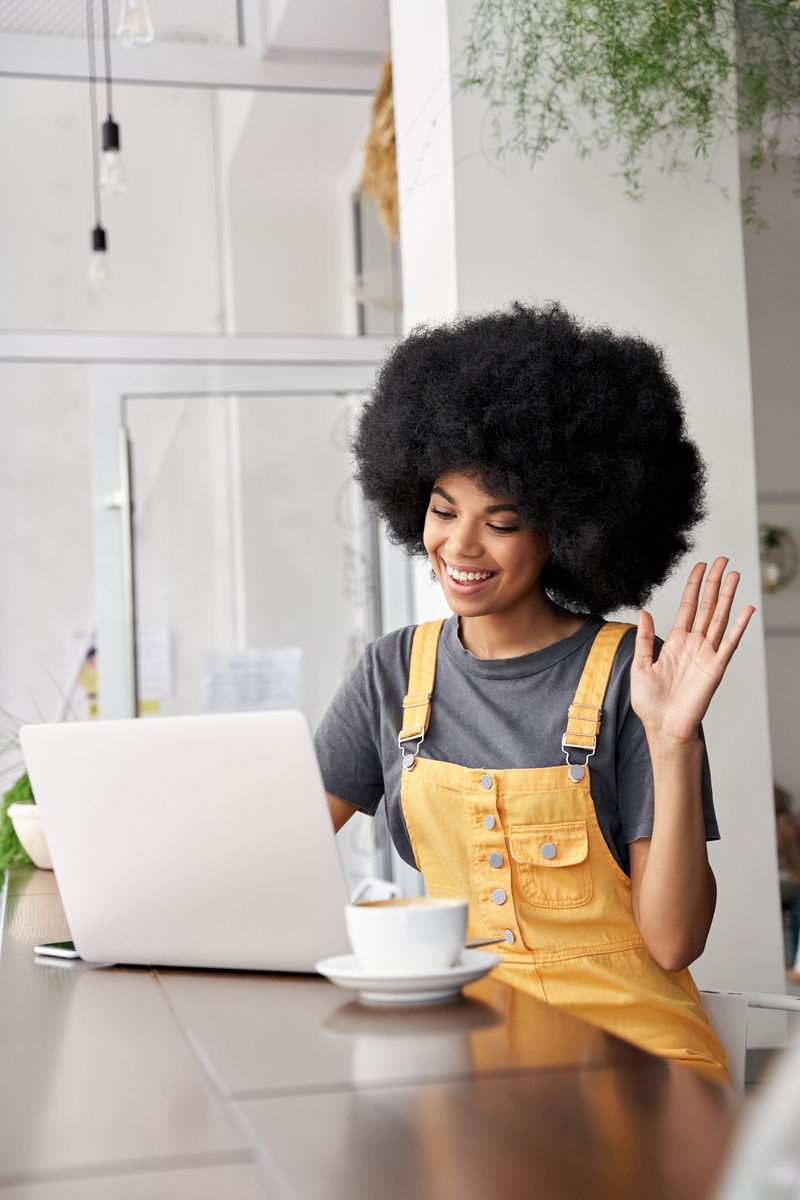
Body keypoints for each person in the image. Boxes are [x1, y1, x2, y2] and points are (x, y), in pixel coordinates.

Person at [314, 301, 754, 1086]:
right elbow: (270, 852)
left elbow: (674, 943)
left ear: (568, 528)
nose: (461, 546)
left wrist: (675, 743)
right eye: (444, 512)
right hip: (471, 1061)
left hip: (638, 1063)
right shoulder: (390, 675)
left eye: (502, 522)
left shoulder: (637, 677)